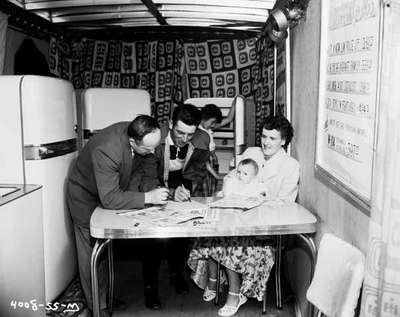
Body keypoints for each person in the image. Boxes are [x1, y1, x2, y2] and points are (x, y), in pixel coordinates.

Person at [187, 115, 299, 317]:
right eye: (264, 136)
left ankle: (234, 292)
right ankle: (213, 280)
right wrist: (232, 190)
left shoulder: (290, 166)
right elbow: (230, 177)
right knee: (208, 230)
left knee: (233, 240)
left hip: (264, 225)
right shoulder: (252, 152)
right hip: (234, 214)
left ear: (283, 141)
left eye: (272, 139)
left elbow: (285, 204)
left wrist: (257, 201)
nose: (266, 142)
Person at [66, 115, 169, 317]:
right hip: (86, 197)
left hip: (110, 191)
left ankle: (105, 296)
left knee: (106, 251)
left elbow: (147, 168)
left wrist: (152, 191)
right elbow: (110, 199)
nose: (153, 152)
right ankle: (98, 306)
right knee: (93, 253)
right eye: (148, 149)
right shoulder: (107, 149)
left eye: (154, 147)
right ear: (132, 141)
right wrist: (148, 197)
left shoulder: (144, 138)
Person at [141, 103, 209, 309]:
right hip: (155, 181)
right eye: (180, 132)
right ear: (170, 124)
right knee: (153, 237)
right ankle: (150, 286)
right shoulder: (154, 138)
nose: (184, 139)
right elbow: (147, 178)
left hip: (181, 180)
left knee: (182, 233)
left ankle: (176, 274)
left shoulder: (202, 139)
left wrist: (186, 189)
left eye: (190, 134)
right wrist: (169, 192)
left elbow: (196, 171)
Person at [191, 98, 238, 196]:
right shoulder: (198, 133)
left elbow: (229, 119)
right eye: (212, 122)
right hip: (205, 168)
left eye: (215, 123)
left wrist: (235, 103)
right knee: (205, 194)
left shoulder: (208, 126)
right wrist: (216, 175)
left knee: (211, 191)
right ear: (204, 118)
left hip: (212, 165)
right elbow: (203, 161)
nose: (214, 125)